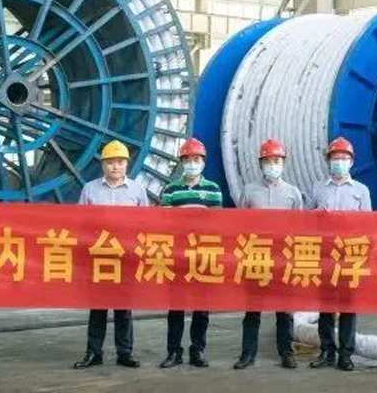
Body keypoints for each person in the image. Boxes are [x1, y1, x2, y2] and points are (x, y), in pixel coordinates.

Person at [73, 140, 148, 369]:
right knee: (98, 307)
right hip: (99, 257)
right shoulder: (89, 189)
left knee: (123, 308)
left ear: (127, 164)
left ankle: (124, 353)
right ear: (102, 164)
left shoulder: (137, 190)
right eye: (110, 162)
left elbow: (146, 224)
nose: (115, 166)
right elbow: (80, 224)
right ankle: (93, 352)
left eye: (120, 162)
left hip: (126, 259)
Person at [231, 139, 304, 370]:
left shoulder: (293, 193)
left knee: (285, 311)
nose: (272, 165)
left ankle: (286, 353)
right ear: (260, 164)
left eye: (276, 161)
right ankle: (247, 354)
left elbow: (300, 229)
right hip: (256, 257)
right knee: (253, 310)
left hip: (283, 260)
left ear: (283, 163)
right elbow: (239, 224)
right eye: (268, 161)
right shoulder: (249, 191)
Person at [158, 138, 222, 369]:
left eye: (196, 159)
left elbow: (217, 223)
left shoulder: (213, 190)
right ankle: (173, 352)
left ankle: (198, 350)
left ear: (203, 162)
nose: (192, 164)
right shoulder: (171, 189)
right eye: (188, 159)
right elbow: (165, 221)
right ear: (181, 162)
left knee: (201, 308)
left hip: (203, 256)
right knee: (176, 307)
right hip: (178, 257)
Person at [308, 137, 371, 372]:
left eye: (344, 158)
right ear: (328, 161)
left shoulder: (361, 191)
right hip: (325, 254)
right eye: (335, 158)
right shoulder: (317, 188)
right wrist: (314, 214)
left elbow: (368, 225)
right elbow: (306, 221)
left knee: (347, 306)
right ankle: (327, 351)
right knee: (325, 305)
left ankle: (346, 354)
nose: (339, 162)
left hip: (349, 255)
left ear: (351, 162)